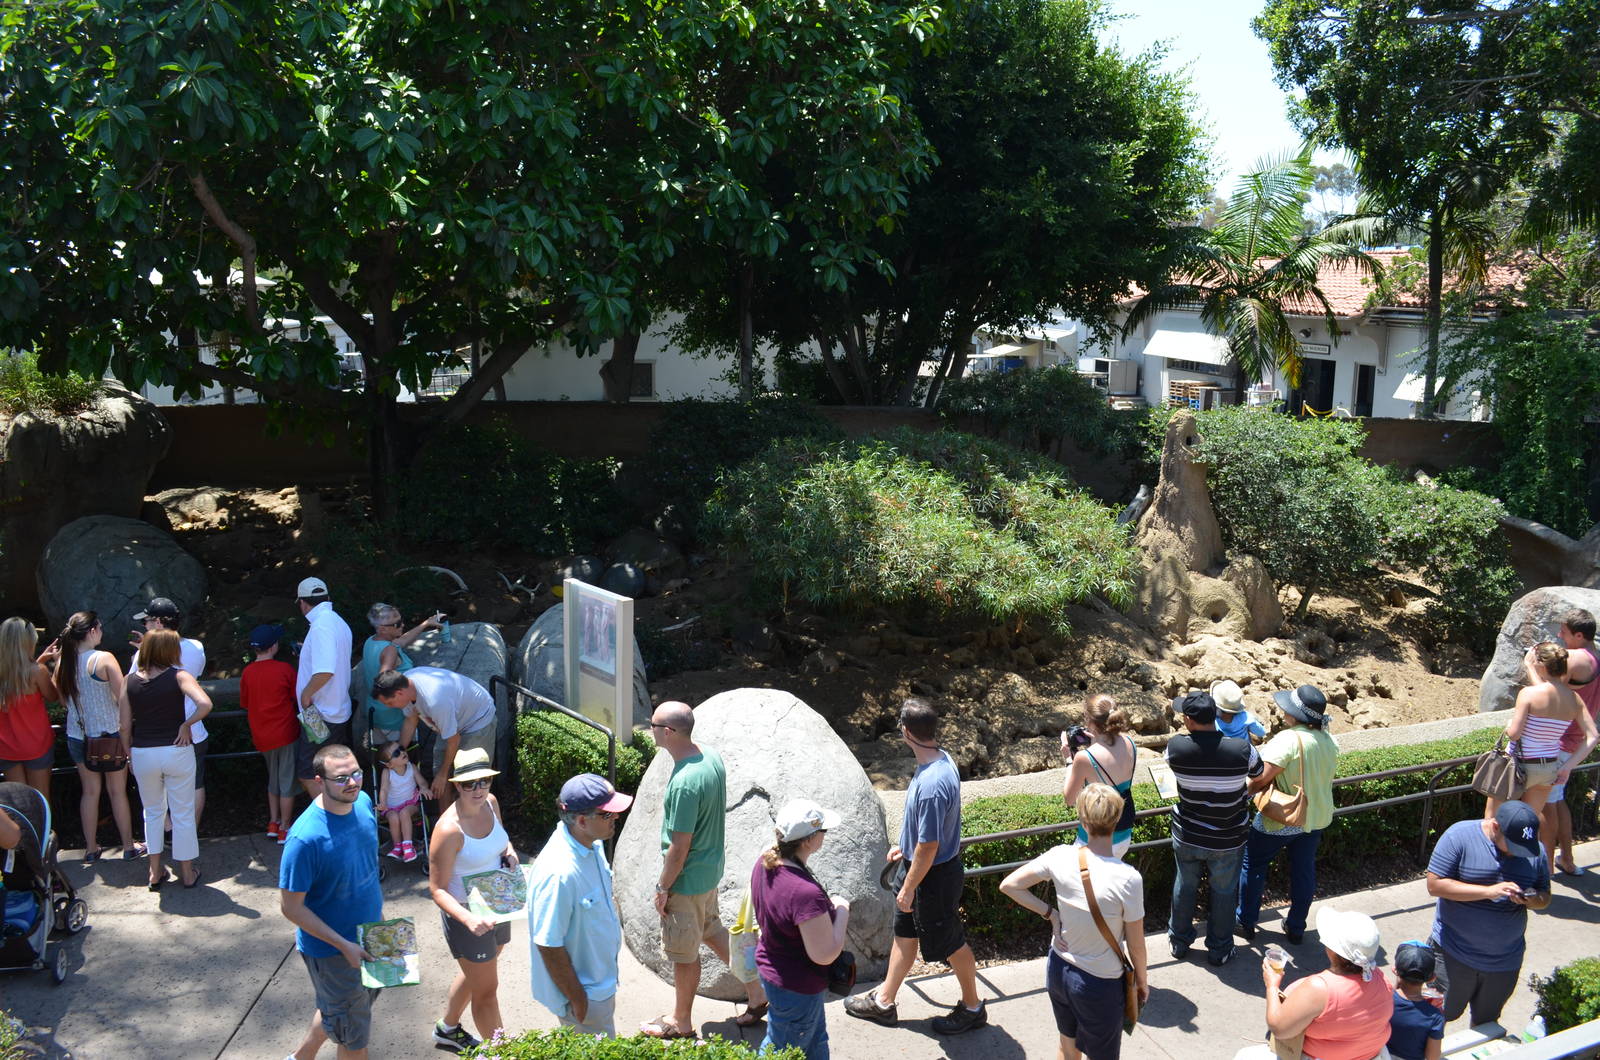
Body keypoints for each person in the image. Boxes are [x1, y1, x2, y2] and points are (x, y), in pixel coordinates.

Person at [844, 697, 988, 1035]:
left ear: (906, 732)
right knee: (904, 937)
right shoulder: (941, 759)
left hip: (931, 879)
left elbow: (930, 845)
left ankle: (973, 1007)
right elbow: (922, 836)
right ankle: (884, 1002)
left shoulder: (932, 786)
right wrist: (903, 847)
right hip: (918, 869)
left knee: (952, 943)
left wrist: (908, 887)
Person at [640, 700, 768, 1039]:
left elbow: (679, 848)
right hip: (709, 872)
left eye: (652, 725)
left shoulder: (684, 782)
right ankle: (757, 994)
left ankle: (680, 1022)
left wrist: (663, 887)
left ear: (667, 732)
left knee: (684, 954)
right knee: (712, 931)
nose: (649, 729)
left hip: (687, 880)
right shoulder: (709, 756)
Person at [1000, 783, 1148, 1060]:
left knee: (1068, 1047)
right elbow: (1137, 945)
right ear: (1117, 819)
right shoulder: (1128, 878)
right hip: (1099, 983)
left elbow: (1010, 885)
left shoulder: (1060, 856)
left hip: (1058, 969)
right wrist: (1142, 981)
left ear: (1082, 819)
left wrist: (1051, 914)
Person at [279, 744, 383, 1060]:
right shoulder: (305, 839)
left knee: (342, 1010)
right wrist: (344, 945)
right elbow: (291, 907)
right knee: (354, 1036)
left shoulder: (363, 804)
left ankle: (300, 1057)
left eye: (356, 773)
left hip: (371, 934)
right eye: (341, 778)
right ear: (319, 781)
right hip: (333, 952)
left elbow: (363, 869)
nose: (351, 782)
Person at [1425, 801, 1551, 1026]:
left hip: (1504, 963)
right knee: (1435, 1017)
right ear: (1495, 826)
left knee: (1487, 1024)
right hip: (1452, 955)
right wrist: (1488, 891)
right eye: (1512, 845)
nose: (1517, 853)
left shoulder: (1535, 851)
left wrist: (1531, 900)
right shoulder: (1459, 836)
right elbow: (1435, 885)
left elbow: (1545, 897)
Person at [427, 748, 517, 1053]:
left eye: (484, 781)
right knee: (487, 992)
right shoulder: (449, 830)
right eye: (469, 784)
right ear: (457, 785)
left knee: (478, 975)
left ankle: (447, 1029)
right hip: (467, 914)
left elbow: (502, 840)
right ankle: (503, 1053)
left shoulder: (491, 804)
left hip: (496, 902)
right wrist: (468, 919)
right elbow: (437, 888)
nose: (478, 789)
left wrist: (509, 853)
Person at [528, 773, 632, 1038]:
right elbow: (548, 943)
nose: (616, 818)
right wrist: (578, 999)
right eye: (607, 814)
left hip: (600, 984)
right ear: (583, 821)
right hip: (586, 994)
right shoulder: (559, 872)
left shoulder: (591, 843)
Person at [1164, 690, 1261, 966]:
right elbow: (1258, 772)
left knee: (1184, 885)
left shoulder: (1175, 747)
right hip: (1228, 837)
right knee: (1224, 891)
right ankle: (1219, 949)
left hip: (1189, 833)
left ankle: (1179, 941)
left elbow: (1169, 766)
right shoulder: (1242, 749)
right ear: (1216, 715)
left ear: (1187, 720)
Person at [749, 799, 852, 1060]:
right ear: (807, 841)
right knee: (782, 1047)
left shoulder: (766, 861)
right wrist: (841, 911)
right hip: (796, 985)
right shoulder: (805, 893)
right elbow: (825, 954)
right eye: (823, 831)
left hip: (776, 970)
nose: (825, 835)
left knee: (815, 1039)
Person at [1237, 684, 1338, 946]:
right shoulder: (1328, 740)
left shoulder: (1289, 739)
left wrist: (1242, 793)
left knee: (1253, 863)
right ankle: (1296, 927)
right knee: (1304, 871)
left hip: (1283, 818)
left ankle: (1246, 921)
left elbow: (1260, 777)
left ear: (1296, 715)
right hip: (1315, 818)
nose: (1283, 711)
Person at [1234, 907, 1393, 1060]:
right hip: (1372, 1055)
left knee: (1243, 1056)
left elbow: (1279, 1029)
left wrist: (1272, 985)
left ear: (1332, 951)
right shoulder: (1378, 976)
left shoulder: (1319, 988)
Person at [118, 629, 210, 890]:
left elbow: (124, 725)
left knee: (153, 812)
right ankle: (187, 873)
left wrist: (129, 753)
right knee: (182, 813)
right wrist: (186, 724)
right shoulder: (179, 675)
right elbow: (205, 703)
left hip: (143, 752)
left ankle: (154, 872)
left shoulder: (129, 681)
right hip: (176, 750)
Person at [52, 612, 139, 861]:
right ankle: (128, 846)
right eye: (99, 626)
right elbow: (123, 698)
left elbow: (62, 701)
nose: (101, 630)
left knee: (89, 792)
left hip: (78, 735)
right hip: (110, 735)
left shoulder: (62, 664)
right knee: (117, 792)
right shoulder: (104, 659)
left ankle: (90, 849)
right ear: (91, 631)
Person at [1492, 642, 1597, 819]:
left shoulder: (1529, 693)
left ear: (1540, 664)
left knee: (1493, 819)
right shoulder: (1575, 699)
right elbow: (1593, 736)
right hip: (1547, 768)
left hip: (1518, 765)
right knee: (1527, 823)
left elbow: (1515, 733)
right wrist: (1567, 768)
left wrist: (1510, 725)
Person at [129, 598, 209, 826]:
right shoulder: (196, 648)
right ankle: (187, 835)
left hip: (158, 735)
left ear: (159, 622)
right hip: (193, 730)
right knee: (194, 785)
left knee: (158, 789)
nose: (145, 625)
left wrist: (144, 651)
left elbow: (134, 686)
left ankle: (166, 830)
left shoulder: (142, 657)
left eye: (147, 621)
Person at [374, 666, 496, 809]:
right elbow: (411, 720)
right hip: (449, 724)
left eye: (390, 703)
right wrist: (396, 753)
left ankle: (472, 823)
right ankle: (444, 823)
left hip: (476, 720)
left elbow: (453, 740)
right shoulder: (405, 686)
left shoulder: (435, 701)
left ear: (399, 693)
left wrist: (443, 775)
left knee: (471, 778)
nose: (390, 707)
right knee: (439, 777)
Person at [1548, 609, 1600, 874]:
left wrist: (1533, 666)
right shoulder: (1595, 656)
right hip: (1575, 740)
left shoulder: (1576, 658)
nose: (1560, 636)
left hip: (1559, 741)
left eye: (1564, 632)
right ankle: (1566, 859)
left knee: (1548, 806)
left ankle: (1544, 869)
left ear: (1579, 635)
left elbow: (1548, 692)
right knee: (1558, 801)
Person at [240, 624, 301, 843]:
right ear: (274, 646)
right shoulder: (284, 670)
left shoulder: (247, 672)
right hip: (285, 733)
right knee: (286, 782)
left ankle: (273, 822)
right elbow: (298, 696)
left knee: (273, 780)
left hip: (262, 736)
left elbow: (245, 703)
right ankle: (285, 826)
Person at [294, 578, 355, 799]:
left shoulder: (321, 626)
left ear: (302, 603)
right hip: (336, 709)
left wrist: (306, 694)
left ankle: (330, 820)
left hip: (320, 712)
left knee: (309, 773)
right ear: (327, 598)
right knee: (332, 771)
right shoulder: (337, 622)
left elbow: (325, 670)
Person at [1060, 694, 1137, 857]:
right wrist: (1096, 741)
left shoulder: (1085, 758)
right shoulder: (1130, 742)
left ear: (1089, 721)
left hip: (1093, 841)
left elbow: (1069, 799)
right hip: (1123, 835)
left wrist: (1069, 761)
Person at [359, 604, 440, 747]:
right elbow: (383, 682)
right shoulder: (389, 650)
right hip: (394, 717)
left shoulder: (372, 641)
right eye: (397, 624)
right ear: (383, 628)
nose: (402, 625)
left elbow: (402, 641)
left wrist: (426, 624)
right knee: (399, 759)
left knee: (380, 757)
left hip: (376, 712)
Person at [0, 617, 60, 801]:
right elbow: (53, 696)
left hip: (6, 747)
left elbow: (17, 676)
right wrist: (57, 664)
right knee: (40, 801)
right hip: (36, 744)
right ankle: (44, 831)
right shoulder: (37, 671)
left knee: (20, 804)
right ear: (28, 641)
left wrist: (41, 660)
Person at [1387, 941, 1445, 1060]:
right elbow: (1432, 1056)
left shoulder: (1383, 999)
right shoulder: (1435, 1017)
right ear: (1432, 978)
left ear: (1394, 970)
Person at [377, 741, 422, 862]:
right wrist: (383, 803)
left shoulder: (412, 767)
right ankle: (397, 846)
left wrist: (424, 788)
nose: (402, 752)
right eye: (396, 753)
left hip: (411, 803)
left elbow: (421, 782)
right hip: (391, 806)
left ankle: (408, 846)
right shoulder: (387, 772)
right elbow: (384, 789)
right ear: (389, 764)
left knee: (404, 813)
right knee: (393, 817)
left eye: (401, 748)